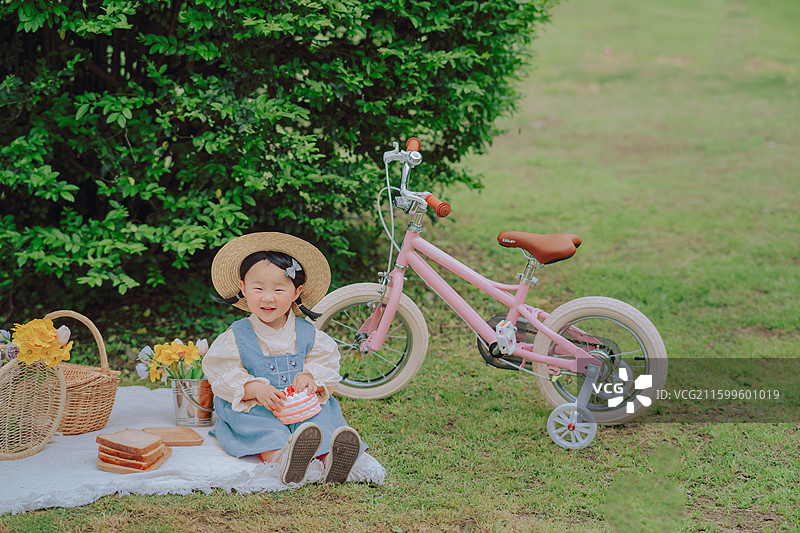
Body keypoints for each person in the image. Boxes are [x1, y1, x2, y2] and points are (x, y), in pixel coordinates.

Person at [202, 232, 365, 484]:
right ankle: (285, 458)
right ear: (243, 288)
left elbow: (326, 361)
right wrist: (252, 387)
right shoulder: (236, 336)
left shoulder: (308, 333)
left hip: (301, 405)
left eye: (279, 289)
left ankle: (332, 459)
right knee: (263, 429)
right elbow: (221, 374)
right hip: (259, 406)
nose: (268, 298)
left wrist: (310, 376)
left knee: (320, 419)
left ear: (296, 291)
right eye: (258, 288)